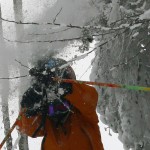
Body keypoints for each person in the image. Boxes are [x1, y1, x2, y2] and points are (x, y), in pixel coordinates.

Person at [17, 57, 104, 150]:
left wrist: (67, 87)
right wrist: (29, 109)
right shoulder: (48, 124)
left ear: (71, 102)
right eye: (51, 109)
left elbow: (89, 97)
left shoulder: (84, 118)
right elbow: (27, 128)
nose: (57, 112)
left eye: (62, 106)